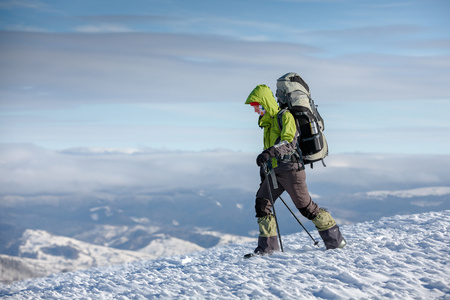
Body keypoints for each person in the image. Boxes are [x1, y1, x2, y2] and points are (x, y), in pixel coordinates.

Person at [245, 84, 346, 255]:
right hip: (276, 172)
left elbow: (289, 142)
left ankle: (336, 242)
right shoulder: (268, 122)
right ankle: (267, 249)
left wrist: (269, 152)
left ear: (265, 103)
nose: (255, 110)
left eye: (256, 106)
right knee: (262, 203)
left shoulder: (285, 117)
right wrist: (266, 168)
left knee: (307, 209)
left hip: (292, 171)